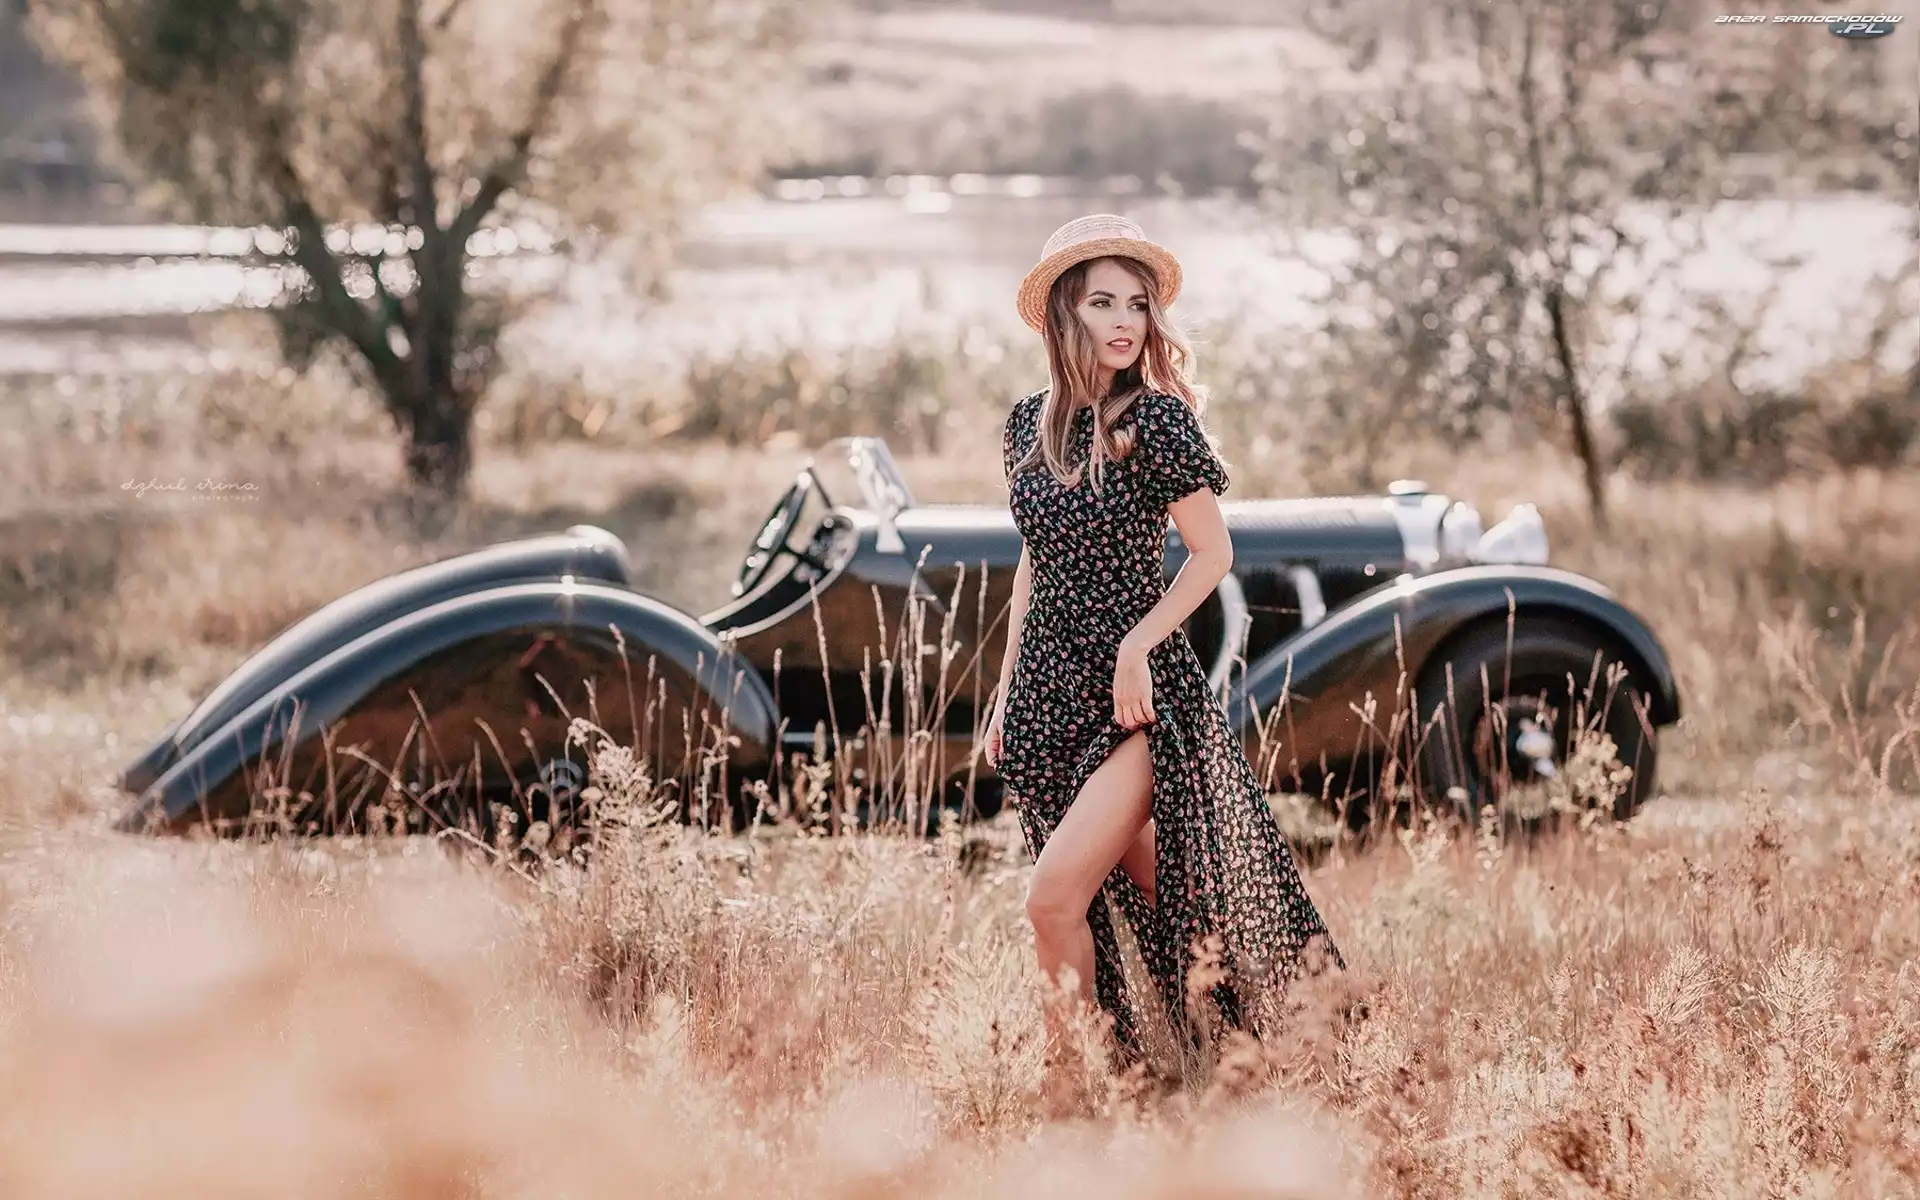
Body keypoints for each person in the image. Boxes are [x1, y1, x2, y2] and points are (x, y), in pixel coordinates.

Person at [983, 213, 1345, 1070]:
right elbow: (1034, 562)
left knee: (1051, 901)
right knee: (1178, 903)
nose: (1124, 322)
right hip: (1050, 692)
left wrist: (1137, 645)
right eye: (1103, 302)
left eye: (1138, 305)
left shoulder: (1155, 422)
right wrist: (1005, 687)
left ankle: (1071, 1092)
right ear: (1063, 313)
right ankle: (1268, 1052)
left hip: (1139, 700)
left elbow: (1213, 553)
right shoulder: (1028, 425)